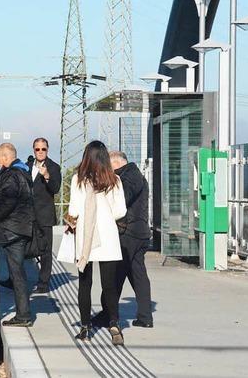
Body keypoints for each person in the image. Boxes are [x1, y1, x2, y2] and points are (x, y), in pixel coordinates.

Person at [68, 141, 127, 345]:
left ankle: (85, 326)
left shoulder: (78, 180)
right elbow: (120, 211)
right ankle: (114, 323)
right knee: (109, 285)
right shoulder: (114, 180)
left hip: (86, 238)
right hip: (108, 237)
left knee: (85, 284)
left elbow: (73, 211)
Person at [93, 151, 154, 328]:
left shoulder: (129, 177)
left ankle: (108, 314)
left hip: (128, 233)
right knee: (137, 275)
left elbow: (121, 199)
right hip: (137, 232)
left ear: (116, 164)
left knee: (113, 275)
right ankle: (144, 317)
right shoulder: (133, 175)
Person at [0, 143, 35, 327]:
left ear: (5, 157)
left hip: (10, 228)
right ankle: (23, 315)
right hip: (22, 227)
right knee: (18, 273)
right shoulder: (24, 172)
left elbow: (7, 203)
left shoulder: (10, 175)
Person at [27, 137, 61, 293]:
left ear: (47, 149)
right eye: (37, 149)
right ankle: (14, 279)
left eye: (43, 149)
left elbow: (56, 188)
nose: (40, 152)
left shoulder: (53, 167)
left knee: (45, 251)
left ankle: (44, 283)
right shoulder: (27, 166)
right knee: (22, 248)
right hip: (27, 216)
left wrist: (47, 175)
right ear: (33, 150)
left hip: (44, 216)